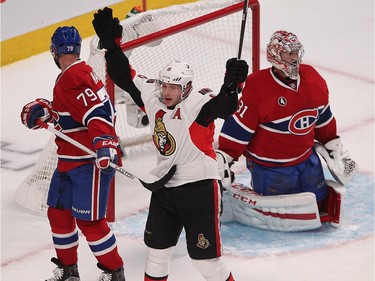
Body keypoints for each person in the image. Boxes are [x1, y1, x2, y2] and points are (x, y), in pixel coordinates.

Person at [92, 7, 248, 281]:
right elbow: (124, 77)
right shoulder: (154, 97)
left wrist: (231, 85)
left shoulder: (197, 105)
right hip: (165, 188)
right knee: (156, 254)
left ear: (186, 88)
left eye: (173, 87)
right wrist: (111, 47)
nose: (167, 92)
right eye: (164, 85)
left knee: (206, 262)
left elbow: (223, 107)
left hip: (199, 189)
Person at [216, 30, 358, 228]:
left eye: (296, 52)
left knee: (315, 203)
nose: (295, 58)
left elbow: (323, 118)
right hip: (270, 166)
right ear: (275, 54)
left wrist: (332, 145)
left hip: (306, 160)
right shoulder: (258, 86)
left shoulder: (313, 79)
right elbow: (239, 127)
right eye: (289, 53)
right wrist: (225, 157)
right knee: (286, 211)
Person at [20, 26, 125, 281]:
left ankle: (115, 273)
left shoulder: (74, 76)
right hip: (69, 161)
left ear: (53, 51)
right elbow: (75, 111)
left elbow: (98, 113)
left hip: (89, 163)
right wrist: (45, 112)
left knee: (89, 222)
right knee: (58, 212)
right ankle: (68, 272)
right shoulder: (73, 74)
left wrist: (104, 143)